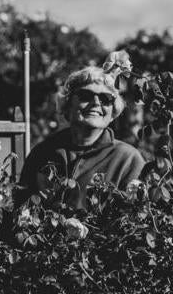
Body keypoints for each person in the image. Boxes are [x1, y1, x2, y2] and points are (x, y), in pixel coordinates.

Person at [17, 64, 145, 210]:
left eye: (106, 98)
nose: (96, 103)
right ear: (67, 104)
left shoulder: (128, 160)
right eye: (86, 96)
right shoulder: (42, 153)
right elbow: (19, 210)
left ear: (113, 112)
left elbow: (137, 221)